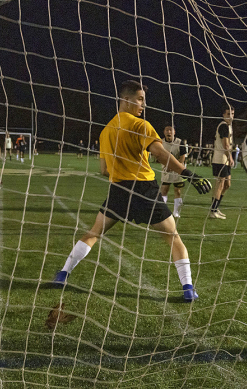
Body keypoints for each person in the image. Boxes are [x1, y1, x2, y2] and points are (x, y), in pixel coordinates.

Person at [52, 80, 212, 302]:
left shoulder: (106, 131)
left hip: (119, 190)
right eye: (140, 99)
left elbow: (104, 170)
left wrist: (122, 169)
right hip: (145, 189)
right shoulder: (141, 125)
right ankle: (187, 288)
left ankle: (63, 274)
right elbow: (160, 154)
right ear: (126, 99)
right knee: (173, 237)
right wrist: (188, 174)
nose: (143, 105)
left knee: (94, 233)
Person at [208, 106, 235, 219]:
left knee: (227, 184)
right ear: (223, 115)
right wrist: (231, 158)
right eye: (228, 114)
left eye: (232, 114)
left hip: (225, 160)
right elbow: (226, 145)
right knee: (220, 185)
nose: (231, 116)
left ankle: (216, 207)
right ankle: (213, 210)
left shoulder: (228, 126)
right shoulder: (223, 126)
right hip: (220, 160)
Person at [159, 126, 189, 218]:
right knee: (164, 190)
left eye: (170, 130)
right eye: (167, 130)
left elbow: (182, 158)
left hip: (178, 170)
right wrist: (167, 165)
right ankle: (163, 212)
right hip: (166, 170)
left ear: (174, 132)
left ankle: (176, 212)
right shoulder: (160, 142)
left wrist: (173, 167)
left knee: (178, 191)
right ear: (164, 132)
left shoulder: (180, 142)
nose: (169, 132)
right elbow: (159, 156)